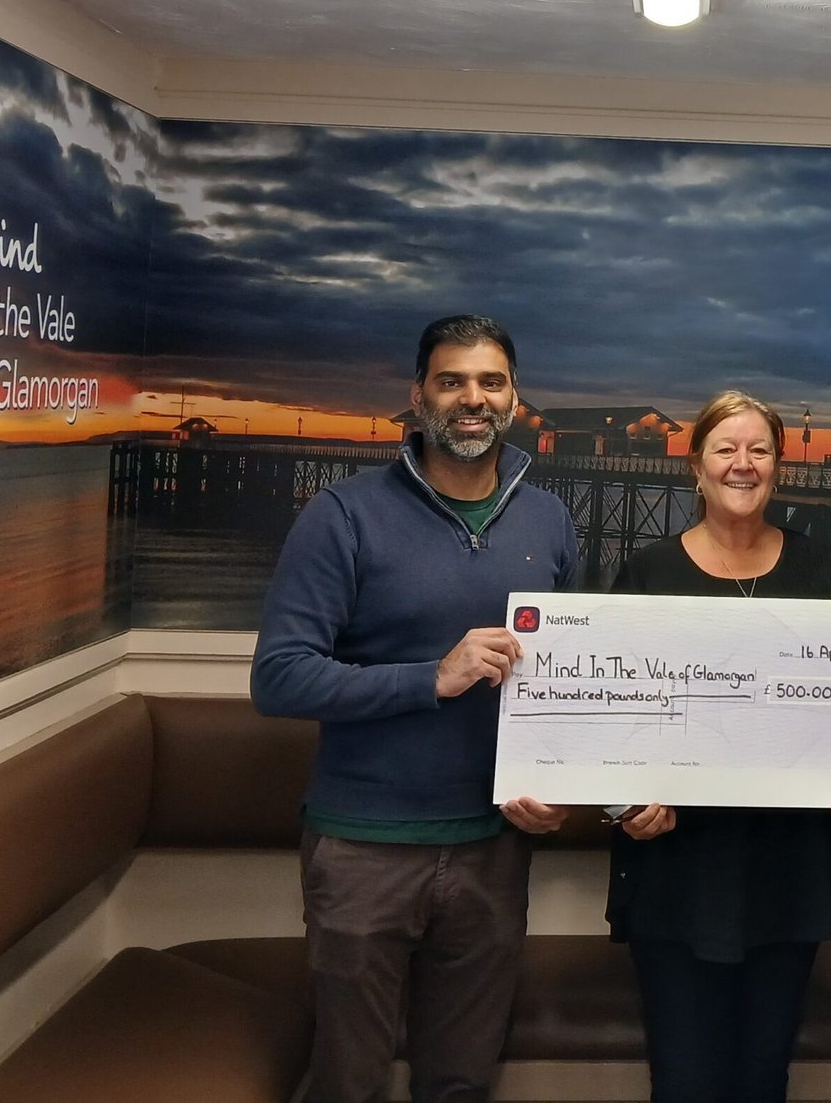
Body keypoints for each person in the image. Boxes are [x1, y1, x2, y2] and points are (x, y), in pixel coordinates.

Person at [251, 315, 577, 1103]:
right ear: (419, 395)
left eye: (491, 382)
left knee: (462, 1081)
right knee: (350, 1081)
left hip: (494, 849)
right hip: (364, 847)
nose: (473, 398)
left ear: (515, 399)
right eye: (451, 381)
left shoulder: (550, 520)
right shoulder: (343, 515)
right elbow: (279, 678)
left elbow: (569, 684)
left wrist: (560, 787)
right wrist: (430, 677)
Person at [606, 390, 831, 1103]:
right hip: (675, 868)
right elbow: (605, 716)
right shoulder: (647, 571)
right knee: (683, 1080)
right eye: (725, 449)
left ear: (778, 467)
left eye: (759, 450)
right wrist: (622, 806)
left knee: (764, 1079)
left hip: (785, 868)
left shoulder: (823, 567)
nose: (743, 464)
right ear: (696, 467)